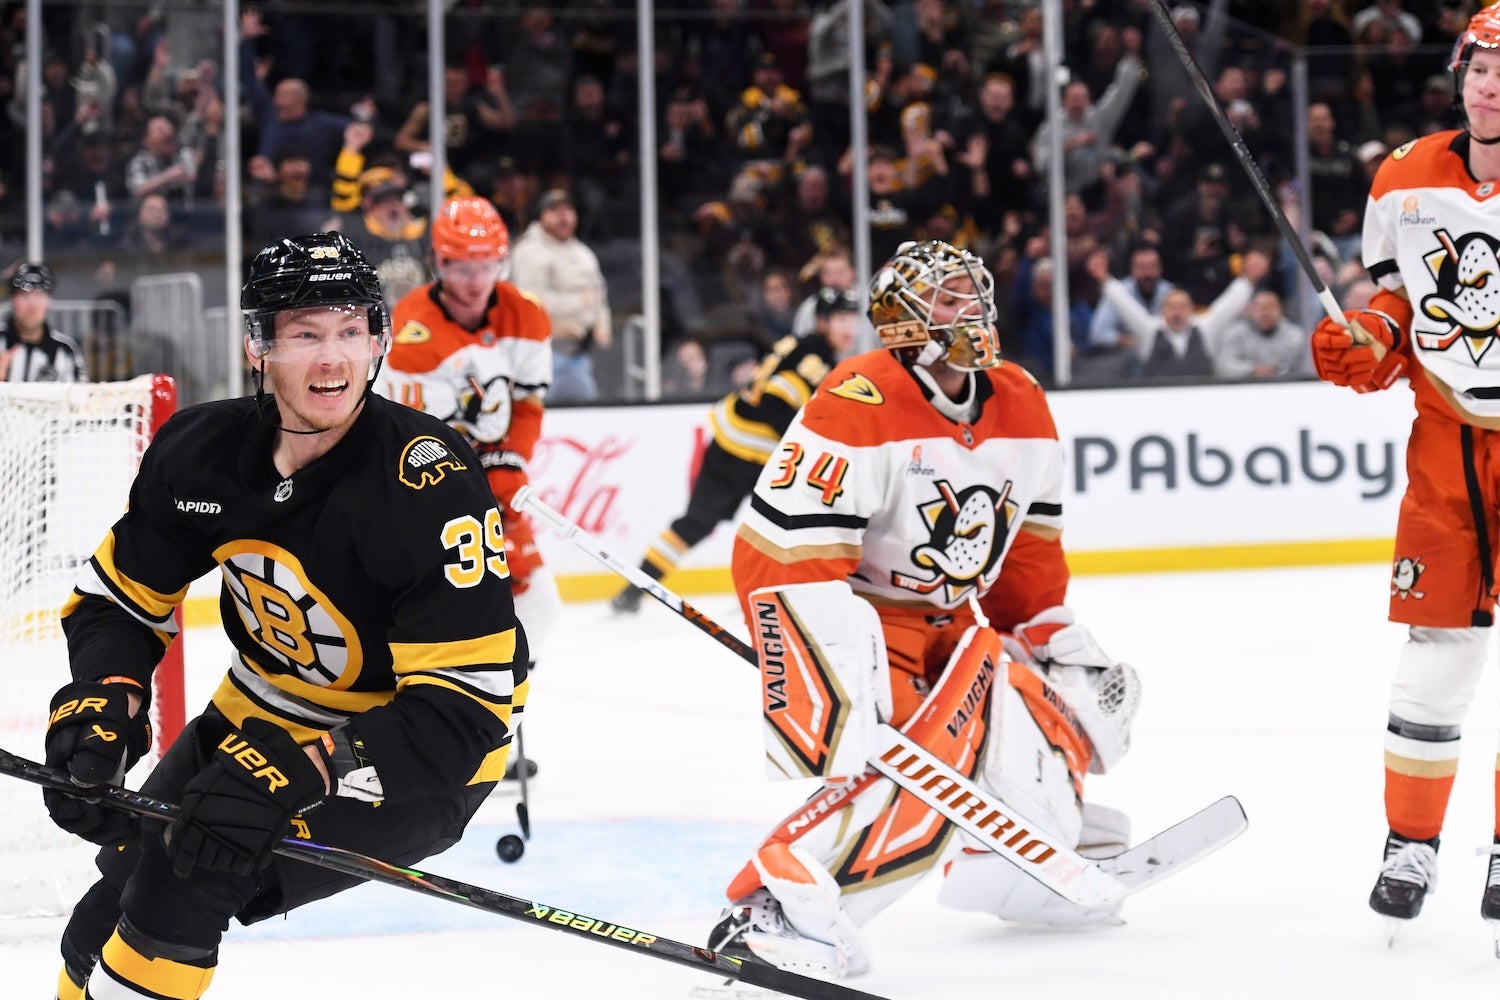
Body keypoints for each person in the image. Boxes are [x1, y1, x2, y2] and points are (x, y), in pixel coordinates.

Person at [41, 231, 527, 1000]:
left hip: (409, 751)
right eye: (305, 334)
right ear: (257, 347)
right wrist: (111, 693)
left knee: (181, 880)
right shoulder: (199, 453)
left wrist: (309, 766)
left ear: (377, 341)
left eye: (349, 332)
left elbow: (462, 714)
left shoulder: (427, 480)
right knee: (96, 926)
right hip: (258, 711)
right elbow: (119, 602)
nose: (332, 360)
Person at [706, 240, 1141, 977]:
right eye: (948, 297)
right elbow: (779, 557)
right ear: (903, 318)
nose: (971, 307)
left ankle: (1014, 863)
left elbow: (1029, 552)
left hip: (958, 627)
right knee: (924, 777)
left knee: (1037, 744)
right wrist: (826, 663)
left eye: (974, 290)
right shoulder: (856, 401)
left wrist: (1047, 632)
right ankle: (772, 907)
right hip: (873, 623)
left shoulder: (1024, 400)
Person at [1310, 7, 1500, 934]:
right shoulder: (1405, 175)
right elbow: (1396, 295)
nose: (1488, 84)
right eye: (1479, 66)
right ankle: (1412, 843)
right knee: (1437, 653)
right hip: (1446, 444)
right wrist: (1372, 334)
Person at [377, 195, 558, 780]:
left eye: (486, 264)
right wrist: (475, 479)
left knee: (533, 602)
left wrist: (509, 459)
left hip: (494, 483)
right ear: (439, 263)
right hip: (423, 486)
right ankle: (406, 730)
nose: (475, 279)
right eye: (461, 265)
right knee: (426, 614)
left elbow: (528, 403)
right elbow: (405, 438)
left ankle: (487, 728)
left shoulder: (526, 314)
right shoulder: (410, 332)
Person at [610, 286, 862, 613]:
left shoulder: (800, 346)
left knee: (699, 525)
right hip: (751, 456)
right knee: (786, 526)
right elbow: (775, 402)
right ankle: (773, 595)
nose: (849, 328)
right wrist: (810, 443)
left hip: (733, 443)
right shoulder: (816, 358)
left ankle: (633, 590)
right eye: (841, 318)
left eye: (852, 319)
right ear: (822, 321)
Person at [509, 188, 611, 402]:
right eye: (554, 210)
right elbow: (530, 303)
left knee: (586, 416)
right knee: (537, 414)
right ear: (541, 215)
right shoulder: (530, 250)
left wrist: (602, 324)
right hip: (543, 353)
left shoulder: (583, 253)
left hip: (578, 352)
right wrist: (578, 302)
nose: (563, 216)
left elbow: (598, 294)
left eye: (568, 209)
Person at [0, 263, 87, 382]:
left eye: (39, 297)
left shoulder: (65, 350)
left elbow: (78, 394)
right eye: (24, 297)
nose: (32, 306)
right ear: (13, 301)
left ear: (49, 302)